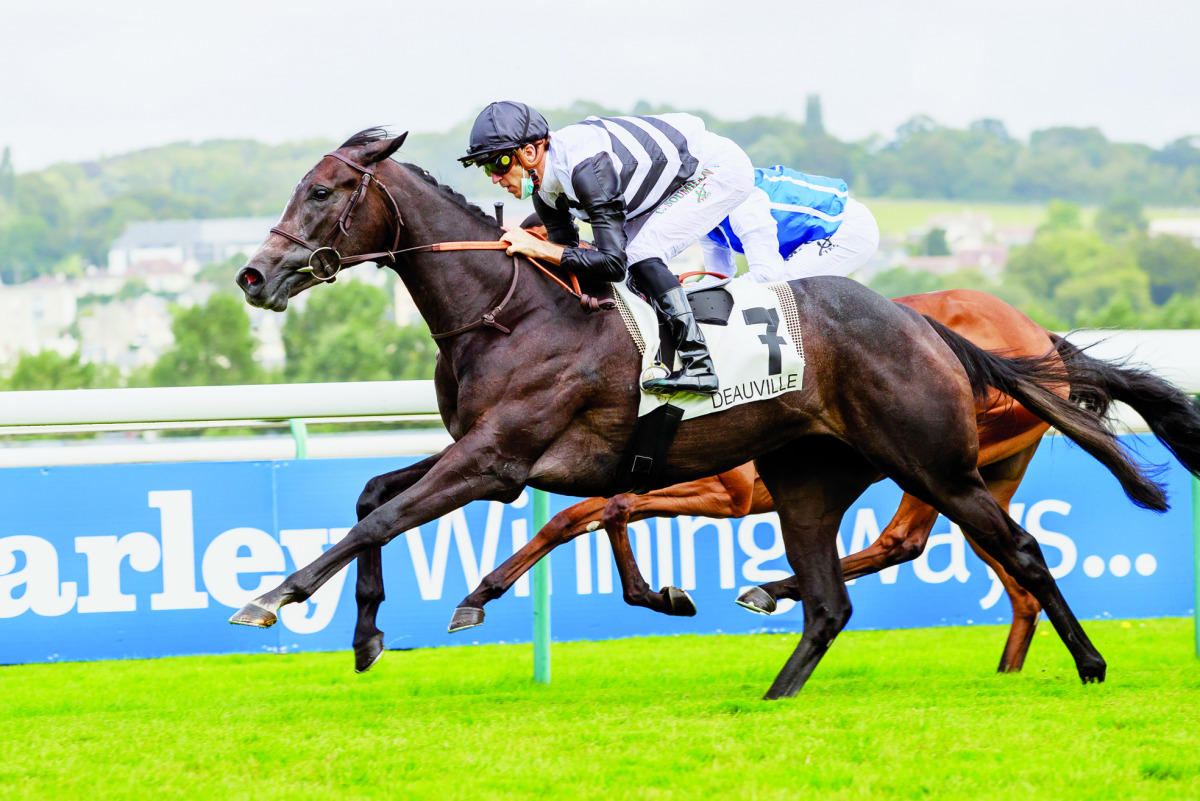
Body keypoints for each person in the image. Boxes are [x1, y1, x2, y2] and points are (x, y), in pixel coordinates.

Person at [459, 101, 767, 396]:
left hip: (714, 170)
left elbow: (613, 263)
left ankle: (699, 364)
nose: (496, 177)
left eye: (498, 162)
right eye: (487, 168)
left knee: (641, 256)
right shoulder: (544, 192)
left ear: (529, 151)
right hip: (660, 184)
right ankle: (657, 354)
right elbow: (570, 262)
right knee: (631, 271)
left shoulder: (588, 170)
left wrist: (538, 249)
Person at [701, 165, 880, 284]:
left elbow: (766, 275)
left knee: (781, 289)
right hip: (819, 230)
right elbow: (718, 277)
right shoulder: (700, 218)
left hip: (847, 227)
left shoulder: (740, 205)